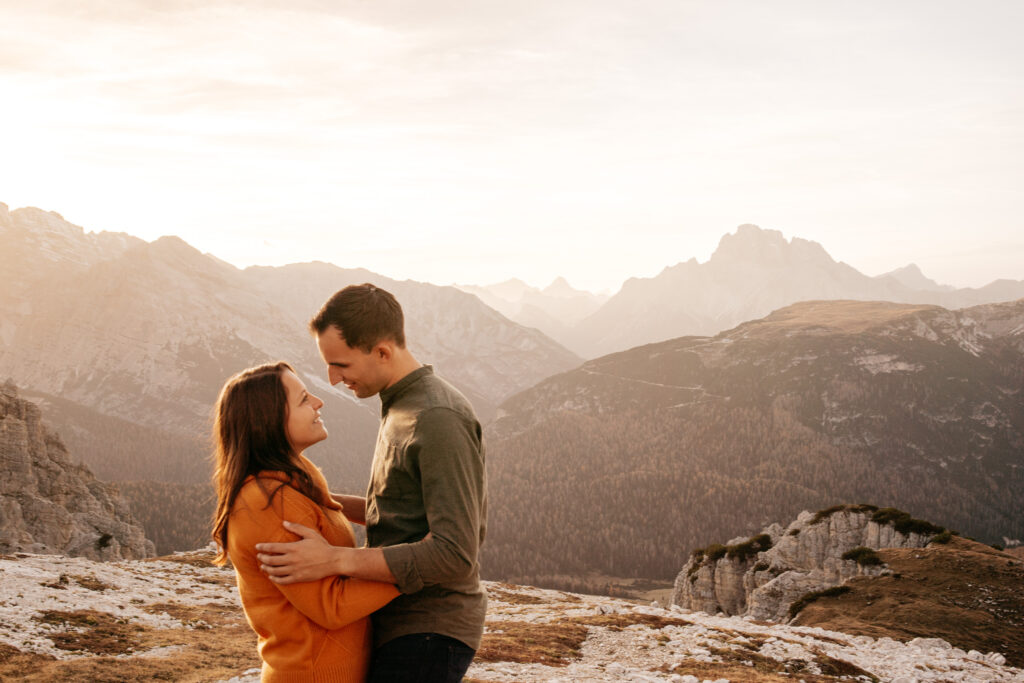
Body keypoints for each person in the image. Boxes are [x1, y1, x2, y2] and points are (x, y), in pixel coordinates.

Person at [254, 283, 487, 683]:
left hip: (429, 629)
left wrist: (334, 559)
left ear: (382, 352)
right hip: (401, 623)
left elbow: (454, 552)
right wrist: (314, 499)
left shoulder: (437, 418)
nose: (332, 378)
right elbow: (400, 512)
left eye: (341, 365)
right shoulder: (402, 404)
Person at [211, 361, 399, 682]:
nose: (318, 402)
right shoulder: (269, 504)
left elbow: (329, 510)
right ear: (268, 420)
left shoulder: (289, 481)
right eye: (303, 399)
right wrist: (412, 568)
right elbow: (330, 606)